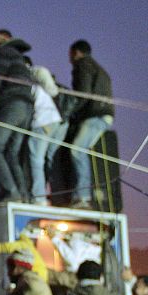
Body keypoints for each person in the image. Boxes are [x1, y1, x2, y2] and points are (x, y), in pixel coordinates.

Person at [0, 30, 33, 204]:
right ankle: (23, 195)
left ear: (2, 39)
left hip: (12, 104)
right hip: (26, 108)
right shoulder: (18, 57)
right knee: (12, 154)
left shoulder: (3, 52)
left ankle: (11, 191)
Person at [67, 40, 114, 208]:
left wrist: (70, 112)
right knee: (83, 151)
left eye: (70, 54)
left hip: (95, 115)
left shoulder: (83, 65)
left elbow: (84, 93)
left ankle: (83, 197)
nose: (69, 59)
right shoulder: (99, 69)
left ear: (76, 53)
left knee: (77, 150)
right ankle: (85, 195)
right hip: (104, 114)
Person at [25, 58, 68, 205]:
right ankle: (58, 197)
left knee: (36, 160)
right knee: (52, 160)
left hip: (43, 121)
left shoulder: (28, 81)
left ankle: (39, 197)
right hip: (57, 122)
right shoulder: (40, 83)